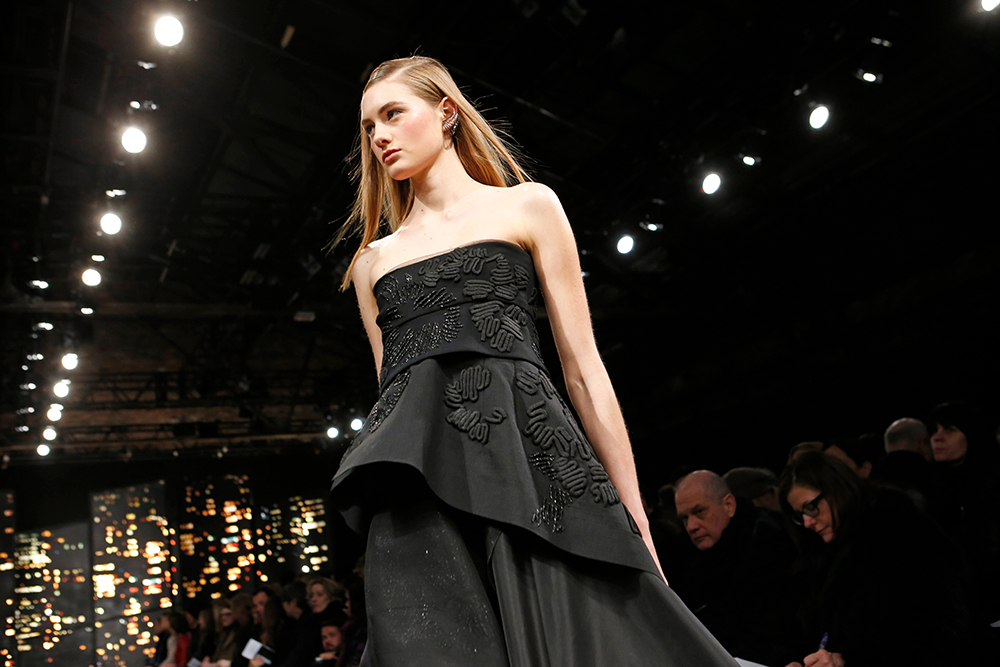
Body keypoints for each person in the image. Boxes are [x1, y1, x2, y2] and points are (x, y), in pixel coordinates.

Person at [329, 55, 734, 665]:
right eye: (368, 127)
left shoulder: (527, 208)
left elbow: (583, 369)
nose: (379, 135)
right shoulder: (371, 265)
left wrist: (635, 518)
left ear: (445, 114)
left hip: (532, 472)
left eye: (392, 114)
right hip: (420, 506)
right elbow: (396, 404)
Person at [779, 450, 979, 667]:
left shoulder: (904, 535)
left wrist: (846, 660)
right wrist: (797, 659)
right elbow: (807, 626)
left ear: (838, 490)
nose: (808, 522)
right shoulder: (821, 549)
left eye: (811, 507)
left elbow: (930, 635)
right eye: (800, 515)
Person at [672, 471, 797, 665]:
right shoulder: (689, 560)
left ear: (728, 505)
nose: (691, 526)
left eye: (699, 512)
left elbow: (774, 629)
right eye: (685, 518)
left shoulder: (768, 543)